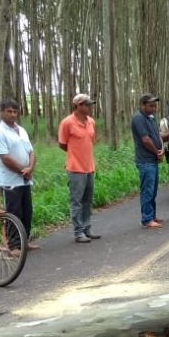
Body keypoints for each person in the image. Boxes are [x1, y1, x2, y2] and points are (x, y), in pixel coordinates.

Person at [0, 98, 38, 250]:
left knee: (27, 212)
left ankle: (25, 241)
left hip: (25, 179)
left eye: (15, 111)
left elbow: (31, 151)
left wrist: (30, 167)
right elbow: (5, 158)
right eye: (9, 111)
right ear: (2, 112)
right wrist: (22, 171)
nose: (12, 114)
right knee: (14, 213)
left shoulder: (21, 130)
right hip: (11, 180)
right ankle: (14, 246)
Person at [58, 93, 100, 243]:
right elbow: (62, 144)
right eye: (87, 104)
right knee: (76, 201)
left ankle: (87, 229)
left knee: (87, 200)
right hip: (75, 168)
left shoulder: (91, 122)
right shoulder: (67, 123)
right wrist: (74, 155)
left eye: (90, 104)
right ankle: (78, 232)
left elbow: (91, 141)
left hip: (89, 167)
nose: (90, 107)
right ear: (78, 106)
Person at [131, 93, 165, 228]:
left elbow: (157, 135)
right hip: (145, 160)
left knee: (153, 190)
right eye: (151, 105)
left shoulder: (151, 118)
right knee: (147, 190)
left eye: (155, 106)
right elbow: (145, 140)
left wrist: (161, 149)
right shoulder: (138, 118)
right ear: (142, 105)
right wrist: (156, 152)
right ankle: (146, 218)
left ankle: (152, 215)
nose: (154, 108)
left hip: (153, 159)